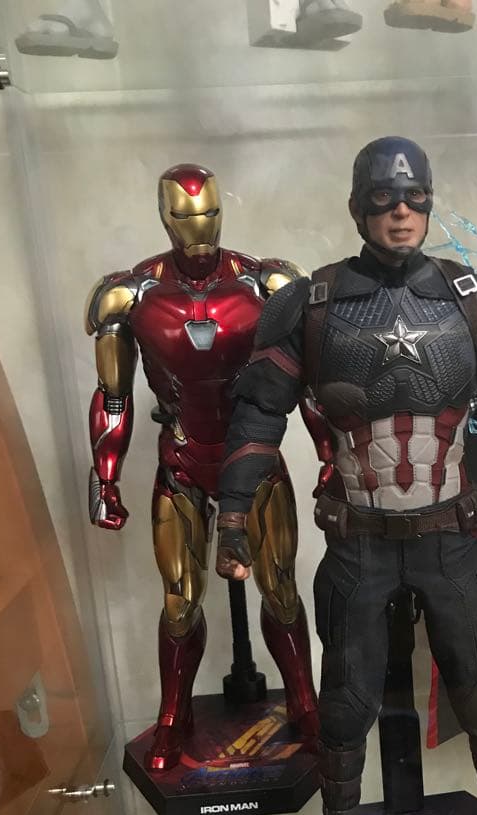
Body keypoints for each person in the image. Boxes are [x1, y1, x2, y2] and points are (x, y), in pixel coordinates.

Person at [215, 136, 477, 815]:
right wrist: (233, 512)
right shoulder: (310, 304)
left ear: (431, 202)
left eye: (415, 198)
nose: (402, 212)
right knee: (346, 700)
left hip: (451, 535)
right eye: (384, 198)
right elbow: (258, 415)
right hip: (359, 539)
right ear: (357, 207)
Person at [85, 163, 318, 772]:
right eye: (187, 218)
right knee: (180, 601)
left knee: (281, 588)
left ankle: (303, 702)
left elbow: (308, 382)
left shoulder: (269, 283)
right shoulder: (128, 296)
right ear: (165, 218)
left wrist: (330, 458)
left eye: (210, 214)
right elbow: (113, 396)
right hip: (183, 458)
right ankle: (174, 716)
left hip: (253, 455)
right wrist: (104, 479)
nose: (200, 230)